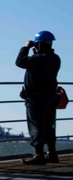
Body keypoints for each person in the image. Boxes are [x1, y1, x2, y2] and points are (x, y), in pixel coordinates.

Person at [16, 31, 61, 165]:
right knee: (48, 126)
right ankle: (52, 153)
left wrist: (26, 47)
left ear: (39, 45)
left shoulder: (38, 59)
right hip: (50, 97)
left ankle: (39, 155)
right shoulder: (55, 58)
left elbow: (20, 62)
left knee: (36, 125)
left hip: (36, 99)